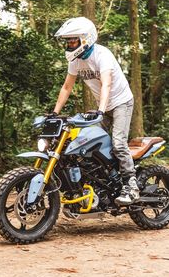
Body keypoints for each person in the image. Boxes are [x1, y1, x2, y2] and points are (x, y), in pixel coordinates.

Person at [52, 16, 139, 206]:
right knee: (85, 141)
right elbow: (67, 87)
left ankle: (131, 185)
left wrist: (100, 110)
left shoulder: (102, 55)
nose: (69, 44)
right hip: (103, 106)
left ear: (86, 39)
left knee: (117, 142)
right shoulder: (75, 60)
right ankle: (102, 181)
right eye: (67, 41)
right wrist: (55, 112)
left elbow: (106, 84)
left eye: (73, 40)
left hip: (120, 103)